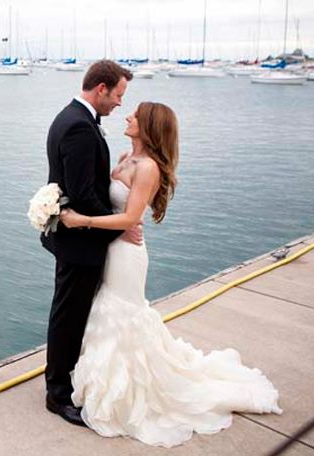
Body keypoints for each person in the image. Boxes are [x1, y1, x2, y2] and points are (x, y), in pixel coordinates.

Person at [59, 102, 282, 447]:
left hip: (126, 255)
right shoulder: (123, 158)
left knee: (122, 315)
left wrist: (81, 221)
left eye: (135, 115)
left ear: (147, 126)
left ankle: (130, 389)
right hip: (110, 247)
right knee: (104, 311)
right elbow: (112, 206)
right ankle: (98, 379)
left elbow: (131, 219)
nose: (128, 116)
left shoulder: (148, 168)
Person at [41, 60, 140, 426]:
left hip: (76, 238)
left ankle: (64, 379)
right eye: (118, 95)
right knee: (69, 316)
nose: (118, 104)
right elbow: (82, 194)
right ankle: (57, 395)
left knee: (70, 312)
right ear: (101, 88)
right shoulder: (79, 127)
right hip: (79, 242)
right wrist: (121, 227)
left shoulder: (72, 118)